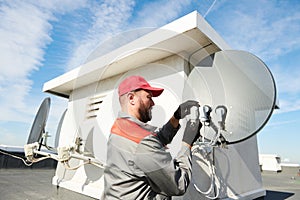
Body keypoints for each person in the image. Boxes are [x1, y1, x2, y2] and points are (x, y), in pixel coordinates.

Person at [102, 75, 202, 199]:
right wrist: (187, 143)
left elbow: (153, 142)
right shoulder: (142, 141)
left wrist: (176, 117)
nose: (153, 103)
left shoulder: (120, 126)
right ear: (132, 98)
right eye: (149, 97)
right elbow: (178, 184)